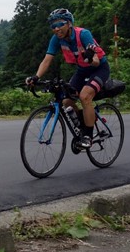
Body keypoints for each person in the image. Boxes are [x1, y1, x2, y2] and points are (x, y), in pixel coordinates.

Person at [25, 8, 110, 149]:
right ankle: (85, 122)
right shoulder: (56, 40)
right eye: (53, 26)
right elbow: (47, 60)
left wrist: (89, 59)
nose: (56, 29)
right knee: (67, 101)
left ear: (69, 23)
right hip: (82, 71)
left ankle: (88, 136)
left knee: (85, 96)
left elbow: (96, 60)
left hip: (99, 69)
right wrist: (36, 77)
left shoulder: (83, 34)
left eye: (60, 24)